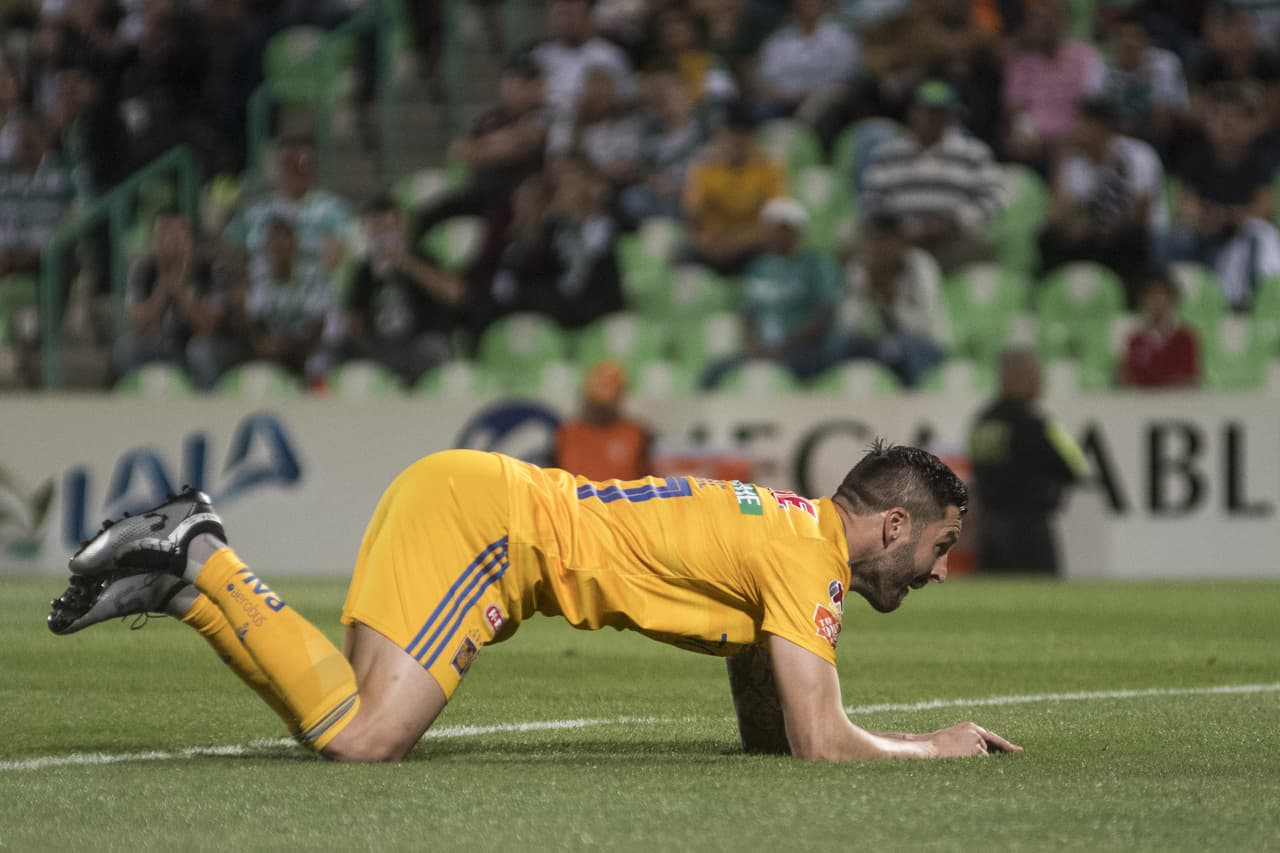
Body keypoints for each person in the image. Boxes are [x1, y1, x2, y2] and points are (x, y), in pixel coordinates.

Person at [50, 440, 1021, 762]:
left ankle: (181, 582)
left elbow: (774, 734)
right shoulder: (802, 558)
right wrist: (932, 746)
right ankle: (199, 553)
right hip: (490, 531)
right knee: (363, 737)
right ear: (893, 528)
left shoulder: (787, 535)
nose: (938, 570)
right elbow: (820, 745)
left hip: (476, 509)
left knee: (352, 720)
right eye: (939, 546)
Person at [860, 79, 1003, 272]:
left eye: (940, 113)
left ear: (952, 116)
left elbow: (992, 198)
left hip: (954, 238)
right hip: (901, 239)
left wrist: (957, 220)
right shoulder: (888, 154)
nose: (933, 119)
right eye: (926, 111)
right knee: (868, 252)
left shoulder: (974, 153)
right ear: (912, 113)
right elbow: (871, 201)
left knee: (978, 259)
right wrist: (902, 228)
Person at [701, 197, 844, 387]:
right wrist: (755, 346)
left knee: (789, 371)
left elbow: (825, 314)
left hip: (802, 350)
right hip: (761, 349)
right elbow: (747, 314)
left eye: (782, 227)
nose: (775, 233)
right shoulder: (757, 267)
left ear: (797, 231)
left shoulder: (815, 265)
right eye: (771, 227)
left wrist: (784, 346)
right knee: (716, 371)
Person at [968, 347, 1086, 574]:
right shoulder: (1037, 424)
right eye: (1034, 375)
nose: (1040, 382)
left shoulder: (980, 422)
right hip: (1030, 532)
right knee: (1046, 603)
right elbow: (1074, 462)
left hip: (990, 532)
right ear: (1015, 378)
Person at [1037, 97, 1165, 300]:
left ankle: (1128, 300)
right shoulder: (1075, 161)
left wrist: (1094, 228)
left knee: (1129, 241)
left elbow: (1140, 214)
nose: (1075, 131)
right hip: (1092, 234)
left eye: (1081, 124)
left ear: (1100, 127)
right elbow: (1057, 216)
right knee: (1049, 237)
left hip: (1130, 232)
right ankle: (1055, 299)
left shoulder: (1138, 155)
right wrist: (1060, 162)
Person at [342, 197, 467, 385]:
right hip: (381, 348)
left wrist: (405, 264)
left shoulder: (423, 257)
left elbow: (454, 294)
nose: (383, 237)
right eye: (377, 230)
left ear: (402, 230)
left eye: (388, 229)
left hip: (420, 342)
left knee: (433, 351)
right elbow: (354, 323)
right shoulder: (363, 271)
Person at [114, 209, 237, 391]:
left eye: (177, 236)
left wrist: (180, 290)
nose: (171, 243)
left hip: (206, 346)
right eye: (163, 236)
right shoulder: (143, 269)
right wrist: (163, 286)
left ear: (191, 241)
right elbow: (139, 324)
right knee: (128, 349)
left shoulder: (211, 270)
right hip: (164, 347)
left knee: (200, 350)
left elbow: (209, 327)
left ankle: (206, 406)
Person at [839, 212, 950, 387]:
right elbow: (849, 326)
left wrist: (894, 301)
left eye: (885, 241)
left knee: (910, 348)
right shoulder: (860, 267)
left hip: (923, 345)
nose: (879, 249)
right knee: (842, 345)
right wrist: (865, 299)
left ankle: (918, 403)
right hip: (877, 344)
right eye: (874, 241)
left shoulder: (921, 267)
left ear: (901, 242)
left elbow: (927, 328)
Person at [681, 103, 787, 275]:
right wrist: (705, 243)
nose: (735, 142)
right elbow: (693, 217)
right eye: (729, 134)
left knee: (771, 254)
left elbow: (775, 222)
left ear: (752, 137)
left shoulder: (770, 168)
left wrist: (734, 244)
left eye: (742, 134)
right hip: (714, 246)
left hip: (751, 245)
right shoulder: (704, 167)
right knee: (682, 255)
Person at [552, 360, 652, 481]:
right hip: (573, 499)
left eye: (610, 386)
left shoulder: (639, 435)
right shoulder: (565, 434)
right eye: (599, 385)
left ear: (621, 392)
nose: (604, 393)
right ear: (586, 390)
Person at [1118, 270, 1199, 389]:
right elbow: (1127, 379)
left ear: (1172, 299)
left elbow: (1190, 379)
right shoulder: (1135, 339)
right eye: (1151, 295)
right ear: (1143, 301)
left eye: (1161, 294)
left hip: (1176, 402)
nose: (1156, 300)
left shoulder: (1185, 338)